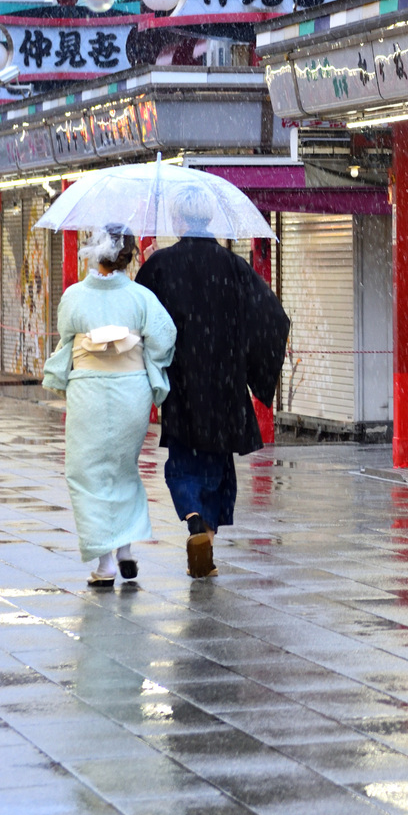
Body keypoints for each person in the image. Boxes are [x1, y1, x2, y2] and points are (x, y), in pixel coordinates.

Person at [136, 188, 289, 578]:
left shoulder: (160, 266)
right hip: (224, 383)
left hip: (181, 381)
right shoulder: (233, 266)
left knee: (184, 459)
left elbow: (140, 322)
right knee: (218, 464)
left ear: (178, 221)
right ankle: (206, 537)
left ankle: (192, 519)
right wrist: (255, 371)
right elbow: (273, 316)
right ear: (209, 219)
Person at [43, 224, 177, 588]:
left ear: (94, 253)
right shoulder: (140, 297)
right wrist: (137, 351)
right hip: (131, 390)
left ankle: (104, 564)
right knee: (123, 468)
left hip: (88, 390)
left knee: (86, 474)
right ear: (129, 257)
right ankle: (126, 550)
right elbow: (165, 338)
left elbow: (66, 336)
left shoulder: (74, 296)